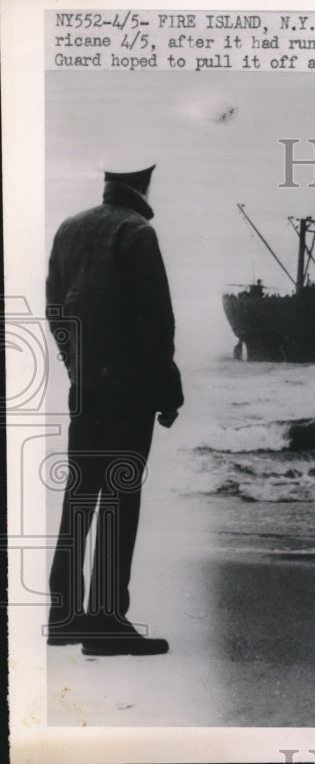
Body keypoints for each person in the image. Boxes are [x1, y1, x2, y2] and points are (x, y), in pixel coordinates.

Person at [46, 162, 183, 656]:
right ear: (143, 185)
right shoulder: (136, 232)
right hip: (129, 391)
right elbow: (154, 321)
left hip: (86, 387)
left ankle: (63, 617)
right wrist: (168, 391)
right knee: (120, 498)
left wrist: (76, 366)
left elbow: (55, 311)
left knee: (79, 496)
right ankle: (105, 622)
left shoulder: (69, 229)